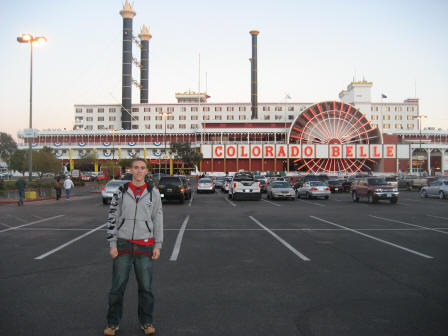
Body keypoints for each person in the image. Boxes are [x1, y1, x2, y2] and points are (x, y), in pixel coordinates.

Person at [104, 158, 163, 336]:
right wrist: (112, 243)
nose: (139, 171)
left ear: (147, 171)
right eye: (136, 168)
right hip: (123, 244)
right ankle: (112, 323)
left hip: (145, 245)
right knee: (117, 288)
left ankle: (146, 322)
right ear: (131, 170)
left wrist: (157, 244)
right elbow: (112, 217)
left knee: (146, 288)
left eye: (142, 168)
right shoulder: (120, 192)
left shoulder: (154, 193)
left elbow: (158, 220)